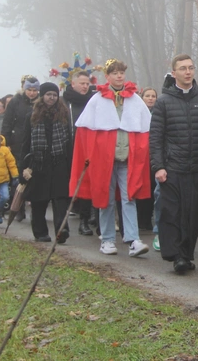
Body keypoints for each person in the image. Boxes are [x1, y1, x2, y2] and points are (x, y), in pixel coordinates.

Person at [69, 59, 151, 258]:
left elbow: (146, 127)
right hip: (104, 160)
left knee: (128, 197)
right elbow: (86, 131)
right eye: (114, 73)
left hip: (126, 159)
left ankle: (132, 240)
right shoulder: (97, 99)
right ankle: (107, 239)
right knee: (105, 199)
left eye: (121, 72)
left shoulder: (135, 99)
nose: (119, 76)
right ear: (108, 76)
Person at [150, 55, 198, 274]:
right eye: (182, 68)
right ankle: (175, 254)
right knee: (172, 212)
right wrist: (158, 166)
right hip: (172, 169)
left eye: (191, 68)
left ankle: (186, 254)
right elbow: (155, 138)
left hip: (196, 168)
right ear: (174, 73)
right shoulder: (163, 102)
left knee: (192, 215)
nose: (187, 72)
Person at [20, 82, 72, 243]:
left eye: (55, 95)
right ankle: (40, 232)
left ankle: (61, 230)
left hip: (59, 162)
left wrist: (70, 165)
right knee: (39, 201)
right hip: (39, 163)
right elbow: (26, 143)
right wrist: (23, 168)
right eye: (49, 94)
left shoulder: (64, 114)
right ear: (42, 96)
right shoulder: (32, 115)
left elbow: (69, 140)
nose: (52, 98)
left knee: (60, 200)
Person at [63, 70, 97, 236]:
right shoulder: (65, 103)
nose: (85, 87)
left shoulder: (95, 101)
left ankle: (87, 219)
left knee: (89, 183)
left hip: (90, 148)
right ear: (73, 84)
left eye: (87, 84)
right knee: (74, 185)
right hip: (69, 148)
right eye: (82, 83)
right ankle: (68, 220)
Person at [2, 75, 40, 165]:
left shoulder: (41, 102)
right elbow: (7, 122)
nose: (32, 93)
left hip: (36, 140)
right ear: (24, 89)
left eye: (34, 90)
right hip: (18, 141)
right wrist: (6, 142)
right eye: (29, 90)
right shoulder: (15, 101)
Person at [136, 87, 158, 233]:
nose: (150, 98)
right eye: (147, 96)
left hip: (153, 155)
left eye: (153, 96)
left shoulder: (159, 113)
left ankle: (148, 218)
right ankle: (139, 218)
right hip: (139, 153)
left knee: (151, 188)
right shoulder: (136, 112)